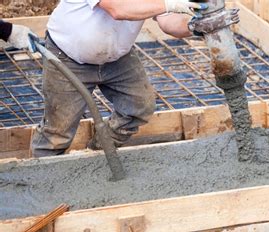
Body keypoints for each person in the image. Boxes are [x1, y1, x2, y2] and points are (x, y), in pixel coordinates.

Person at [31, 0, 209, 157]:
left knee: (139, 106)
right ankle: (41, 175)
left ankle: (98, 153)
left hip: (117, 57)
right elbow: (117, 8)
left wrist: (194, 26)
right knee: (58, 130)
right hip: (67, 57)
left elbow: (168, 21)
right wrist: (168, 3)